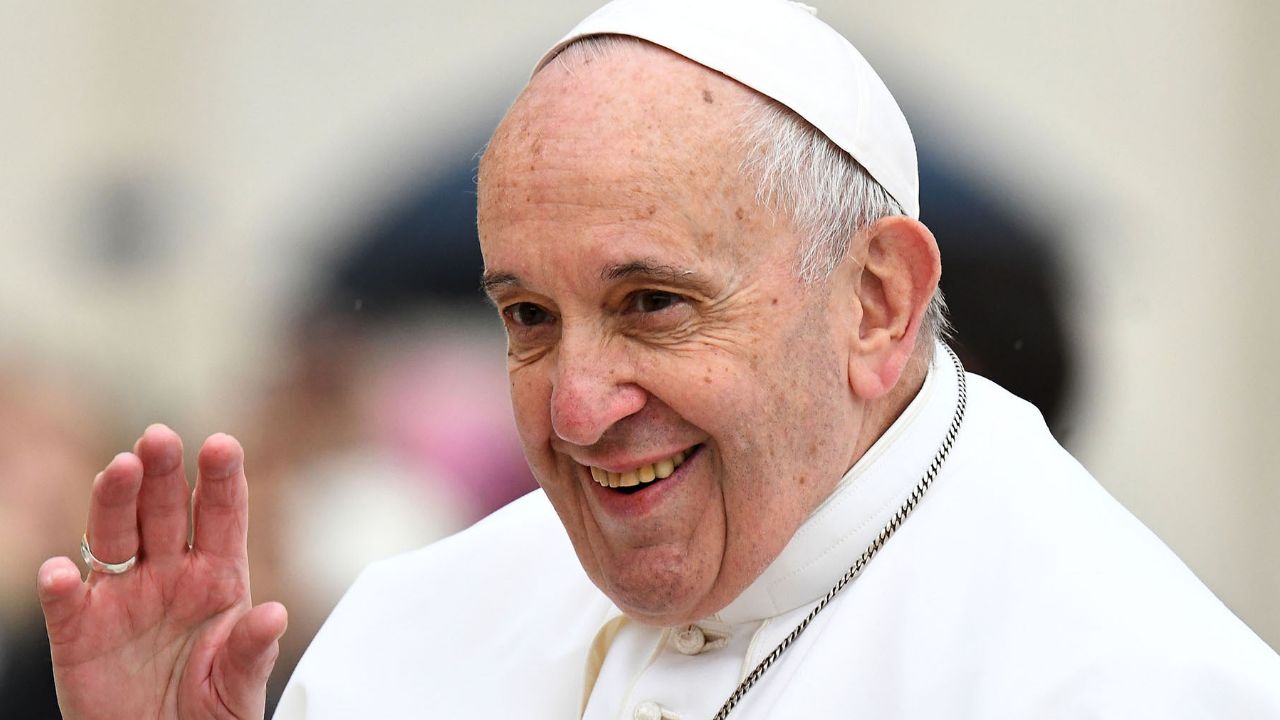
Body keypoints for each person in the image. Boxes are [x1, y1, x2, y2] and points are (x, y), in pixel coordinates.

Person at [38, 0, 1280, 718]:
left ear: (876, 301)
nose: (575, 409)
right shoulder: (406, 632)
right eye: (526, 318)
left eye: (651, 305)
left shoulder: (1127, 681)